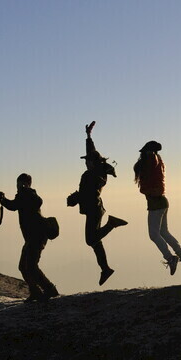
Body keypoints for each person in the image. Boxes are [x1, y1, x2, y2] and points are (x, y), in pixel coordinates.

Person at [68, 121, 128, 285]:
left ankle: (112, 224)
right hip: (95, 208)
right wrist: (88, 136)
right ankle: (105, 269)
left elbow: (86, 193)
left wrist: (74, 199)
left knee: (90, 240)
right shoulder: (98, 171)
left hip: (93, 209)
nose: (85, 162)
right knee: (95, 241)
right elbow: (92, 153)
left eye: (87, 161)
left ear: (92, 163)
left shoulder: (90, 176)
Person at [0, 174, 59, 302]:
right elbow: (14, 205)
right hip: (32, 237)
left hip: (36, 236)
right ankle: (35, 292)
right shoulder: (26, 196)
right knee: (24, 267)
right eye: (17, 184)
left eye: (20, 184)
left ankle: (50, 289)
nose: (18, 187)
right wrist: (3, 199)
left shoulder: (28, 195)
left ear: (26, 184)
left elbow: (14, 205)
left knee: (31, 266)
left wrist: (4, 198)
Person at [133, 141, 181, 274]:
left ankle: (171, 258)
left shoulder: (152, 160)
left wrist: (149, 154)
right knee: (163, 232)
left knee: (154, 234)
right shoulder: (156, 161)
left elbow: (146, 177)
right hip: (161, 201)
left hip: (156, 202)